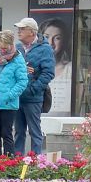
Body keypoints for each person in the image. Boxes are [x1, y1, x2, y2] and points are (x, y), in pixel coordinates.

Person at [13, 18, 55, 155]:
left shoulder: (45, 49)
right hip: (18, 97)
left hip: (33, 98)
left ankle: (35, 163)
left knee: (35, 131)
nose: (18, 31)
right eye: (18, 28)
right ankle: (16, 163)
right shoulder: (17, 48)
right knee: (18, 132)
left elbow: (48, 73)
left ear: (31, 32)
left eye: (22, 29)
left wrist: (33, 89)